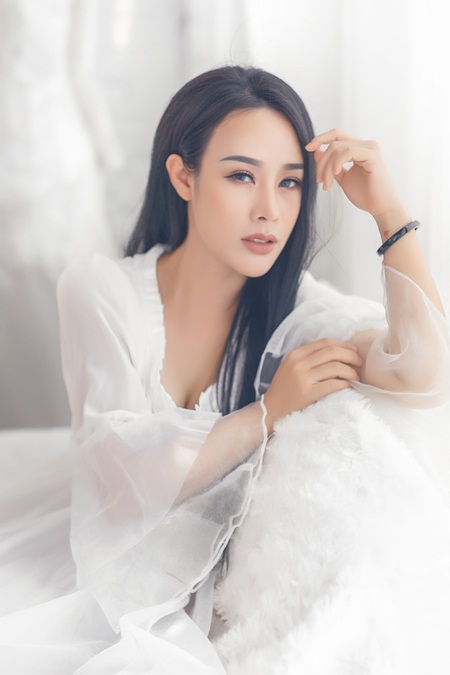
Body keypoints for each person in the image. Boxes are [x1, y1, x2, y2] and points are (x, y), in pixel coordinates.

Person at [1, 65, 450, 674]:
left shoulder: (298, 311)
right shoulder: (102, 291)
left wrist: (390, 213)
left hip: (212, 593)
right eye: (241, 176)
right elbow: (121, 476)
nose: (269, 210)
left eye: (290, 183)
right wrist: (267, 413)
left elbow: (424, 374)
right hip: (101, 559)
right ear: (183, 176)